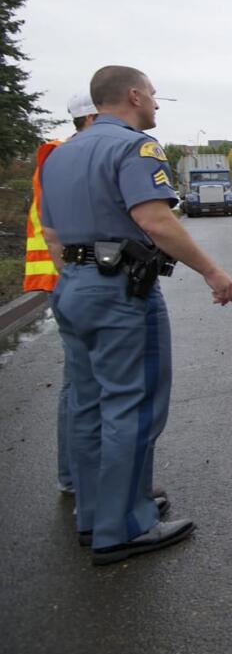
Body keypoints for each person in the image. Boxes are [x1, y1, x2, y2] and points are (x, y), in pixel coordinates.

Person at [40, 65, 232, 564]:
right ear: (132, 95)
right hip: (118, 292)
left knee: (88, 405)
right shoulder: (135, 148)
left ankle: (94, 514)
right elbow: (155, 219)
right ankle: (124, 525)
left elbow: (54, 236)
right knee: (133, 405)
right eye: (151, 94)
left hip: (74, 289)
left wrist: (79, 278)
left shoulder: (59, 156)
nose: (154, 103)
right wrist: (212, 272)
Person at [25, 91, 98, 494]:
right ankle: (79, 478)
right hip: (70, 279)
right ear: (92, 118)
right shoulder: (65, 158)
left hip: (65, 278)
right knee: (83, 386)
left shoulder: (59, 157)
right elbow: (57, 234)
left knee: (80, 384)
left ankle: (76, 476)